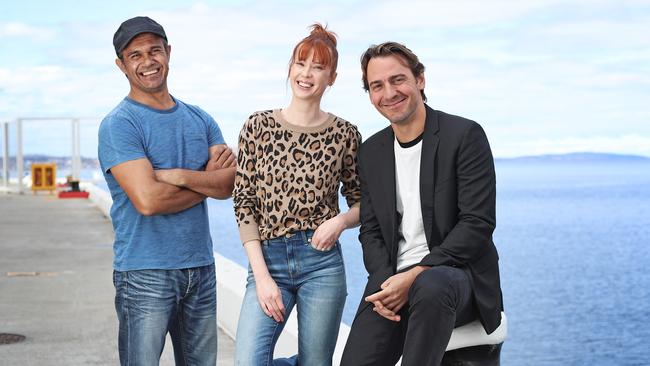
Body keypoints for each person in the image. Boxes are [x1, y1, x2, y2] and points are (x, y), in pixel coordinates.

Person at [340, 42, 504, 366]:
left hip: (457, 277)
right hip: (395, 279)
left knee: (431, 285)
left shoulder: (465, 135)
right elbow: (371, 231)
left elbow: (477, 224)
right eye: (377, 86)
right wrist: (387, 282)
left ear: (420, 79)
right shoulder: (372, 152)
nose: (389, 92)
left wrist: (415, 274)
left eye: (397, 79)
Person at [98, 16, 236, 366]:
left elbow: (230, 184)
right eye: (135, 55)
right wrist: (205, 180)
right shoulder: (120, 124)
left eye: (155, 50)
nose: (148, 61)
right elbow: (148, 201)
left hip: (201, 267)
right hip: (145, 272)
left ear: (168, 53)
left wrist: (176, 175)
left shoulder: (199, 118)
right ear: (121, 65)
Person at [233, 23, 361, 366]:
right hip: (268, 259)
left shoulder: (345, 134)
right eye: (301, 64)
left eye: (318, 67)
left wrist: (341, 221)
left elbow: (362, 202)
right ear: (290, 68)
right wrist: (261, 277)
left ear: (331, 77)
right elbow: (244, 203)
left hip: (321, 263)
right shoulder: (257, 126)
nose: (307, 74)